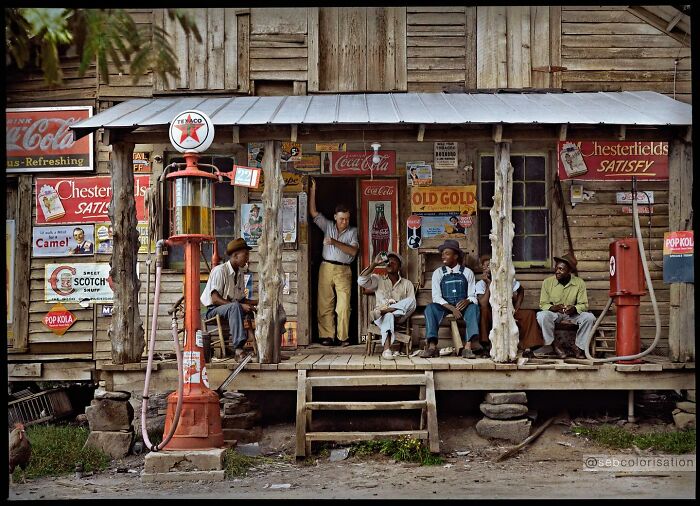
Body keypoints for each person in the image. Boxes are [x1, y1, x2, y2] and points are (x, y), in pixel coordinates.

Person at [309, 178, 359, 347]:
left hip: (344, 269)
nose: (344, 222)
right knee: (325, 304)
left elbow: (353, 251)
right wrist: (314, 189)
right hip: (326, 266)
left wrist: (334, 242)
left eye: (347, 219)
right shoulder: (328, 225)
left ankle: (343, 337)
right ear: (335, 217)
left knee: (343, 305)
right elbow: (313, 212)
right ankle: (327, 336)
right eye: (341, 219)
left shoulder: (353, 231)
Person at [200, 238, 258, 360]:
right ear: (235, 256)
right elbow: (215, 299)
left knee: (249, 308)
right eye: (245, 254)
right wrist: (240, 305)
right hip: (213, 311)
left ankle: (262, 348)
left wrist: (260, 302)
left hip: (230, 309)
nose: (248, 258)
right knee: (235, 306)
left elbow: (241, 299)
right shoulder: (220, 271)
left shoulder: (241, 273)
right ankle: (238, 350)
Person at [420, 239, 479, 358]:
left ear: (456, 256)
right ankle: (432, 347)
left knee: (474, 308)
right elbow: (436, 297)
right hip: (445, 306)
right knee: (430, 308)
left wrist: (467, 301)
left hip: (462, 306)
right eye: (442, 253)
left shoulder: (467, 272)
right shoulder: (438, 273)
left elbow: (473, 295)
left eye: (446, 253)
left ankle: (467, 348)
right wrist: (452, 309)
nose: (443, 256)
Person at [475, 254, 544, 355]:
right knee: (484, 311)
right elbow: (483, 304)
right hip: (492, 314)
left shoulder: (506, 279)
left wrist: (517, 306)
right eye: (487, 265)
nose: (490, 267)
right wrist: (489, 284)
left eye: (492, 265)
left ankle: (529, 347)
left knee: (529, 314)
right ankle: (486, 346)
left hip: (508, 311)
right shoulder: (480, 284)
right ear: (483, 268)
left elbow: (521, 290)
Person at [536, 252, 596, 359]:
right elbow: (543, 304)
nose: (557, 271)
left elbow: (584, 305)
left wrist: (574, 308)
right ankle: (554, 345)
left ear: (569, 271)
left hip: (572, 315)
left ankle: (579, 348)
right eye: (556, 268)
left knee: (589, 318)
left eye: (561, 269)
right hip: (555, 314)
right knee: (542, 315)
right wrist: (553, 308)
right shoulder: (547, 282)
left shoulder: (579, 283)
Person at [358, 252, 416, 360]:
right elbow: (361, 281)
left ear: (399, 266)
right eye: (388, 262)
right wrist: (374, 264)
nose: (390, 264)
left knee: (411, 301)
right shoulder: (378, 280)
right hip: (381, 317)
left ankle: (386, 310)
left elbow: (412, 305)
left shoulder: (407, 284)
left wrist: (391, 309)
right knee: (389, 316)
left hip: (399, 317)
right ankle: (386, 350)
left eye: (394, 262)